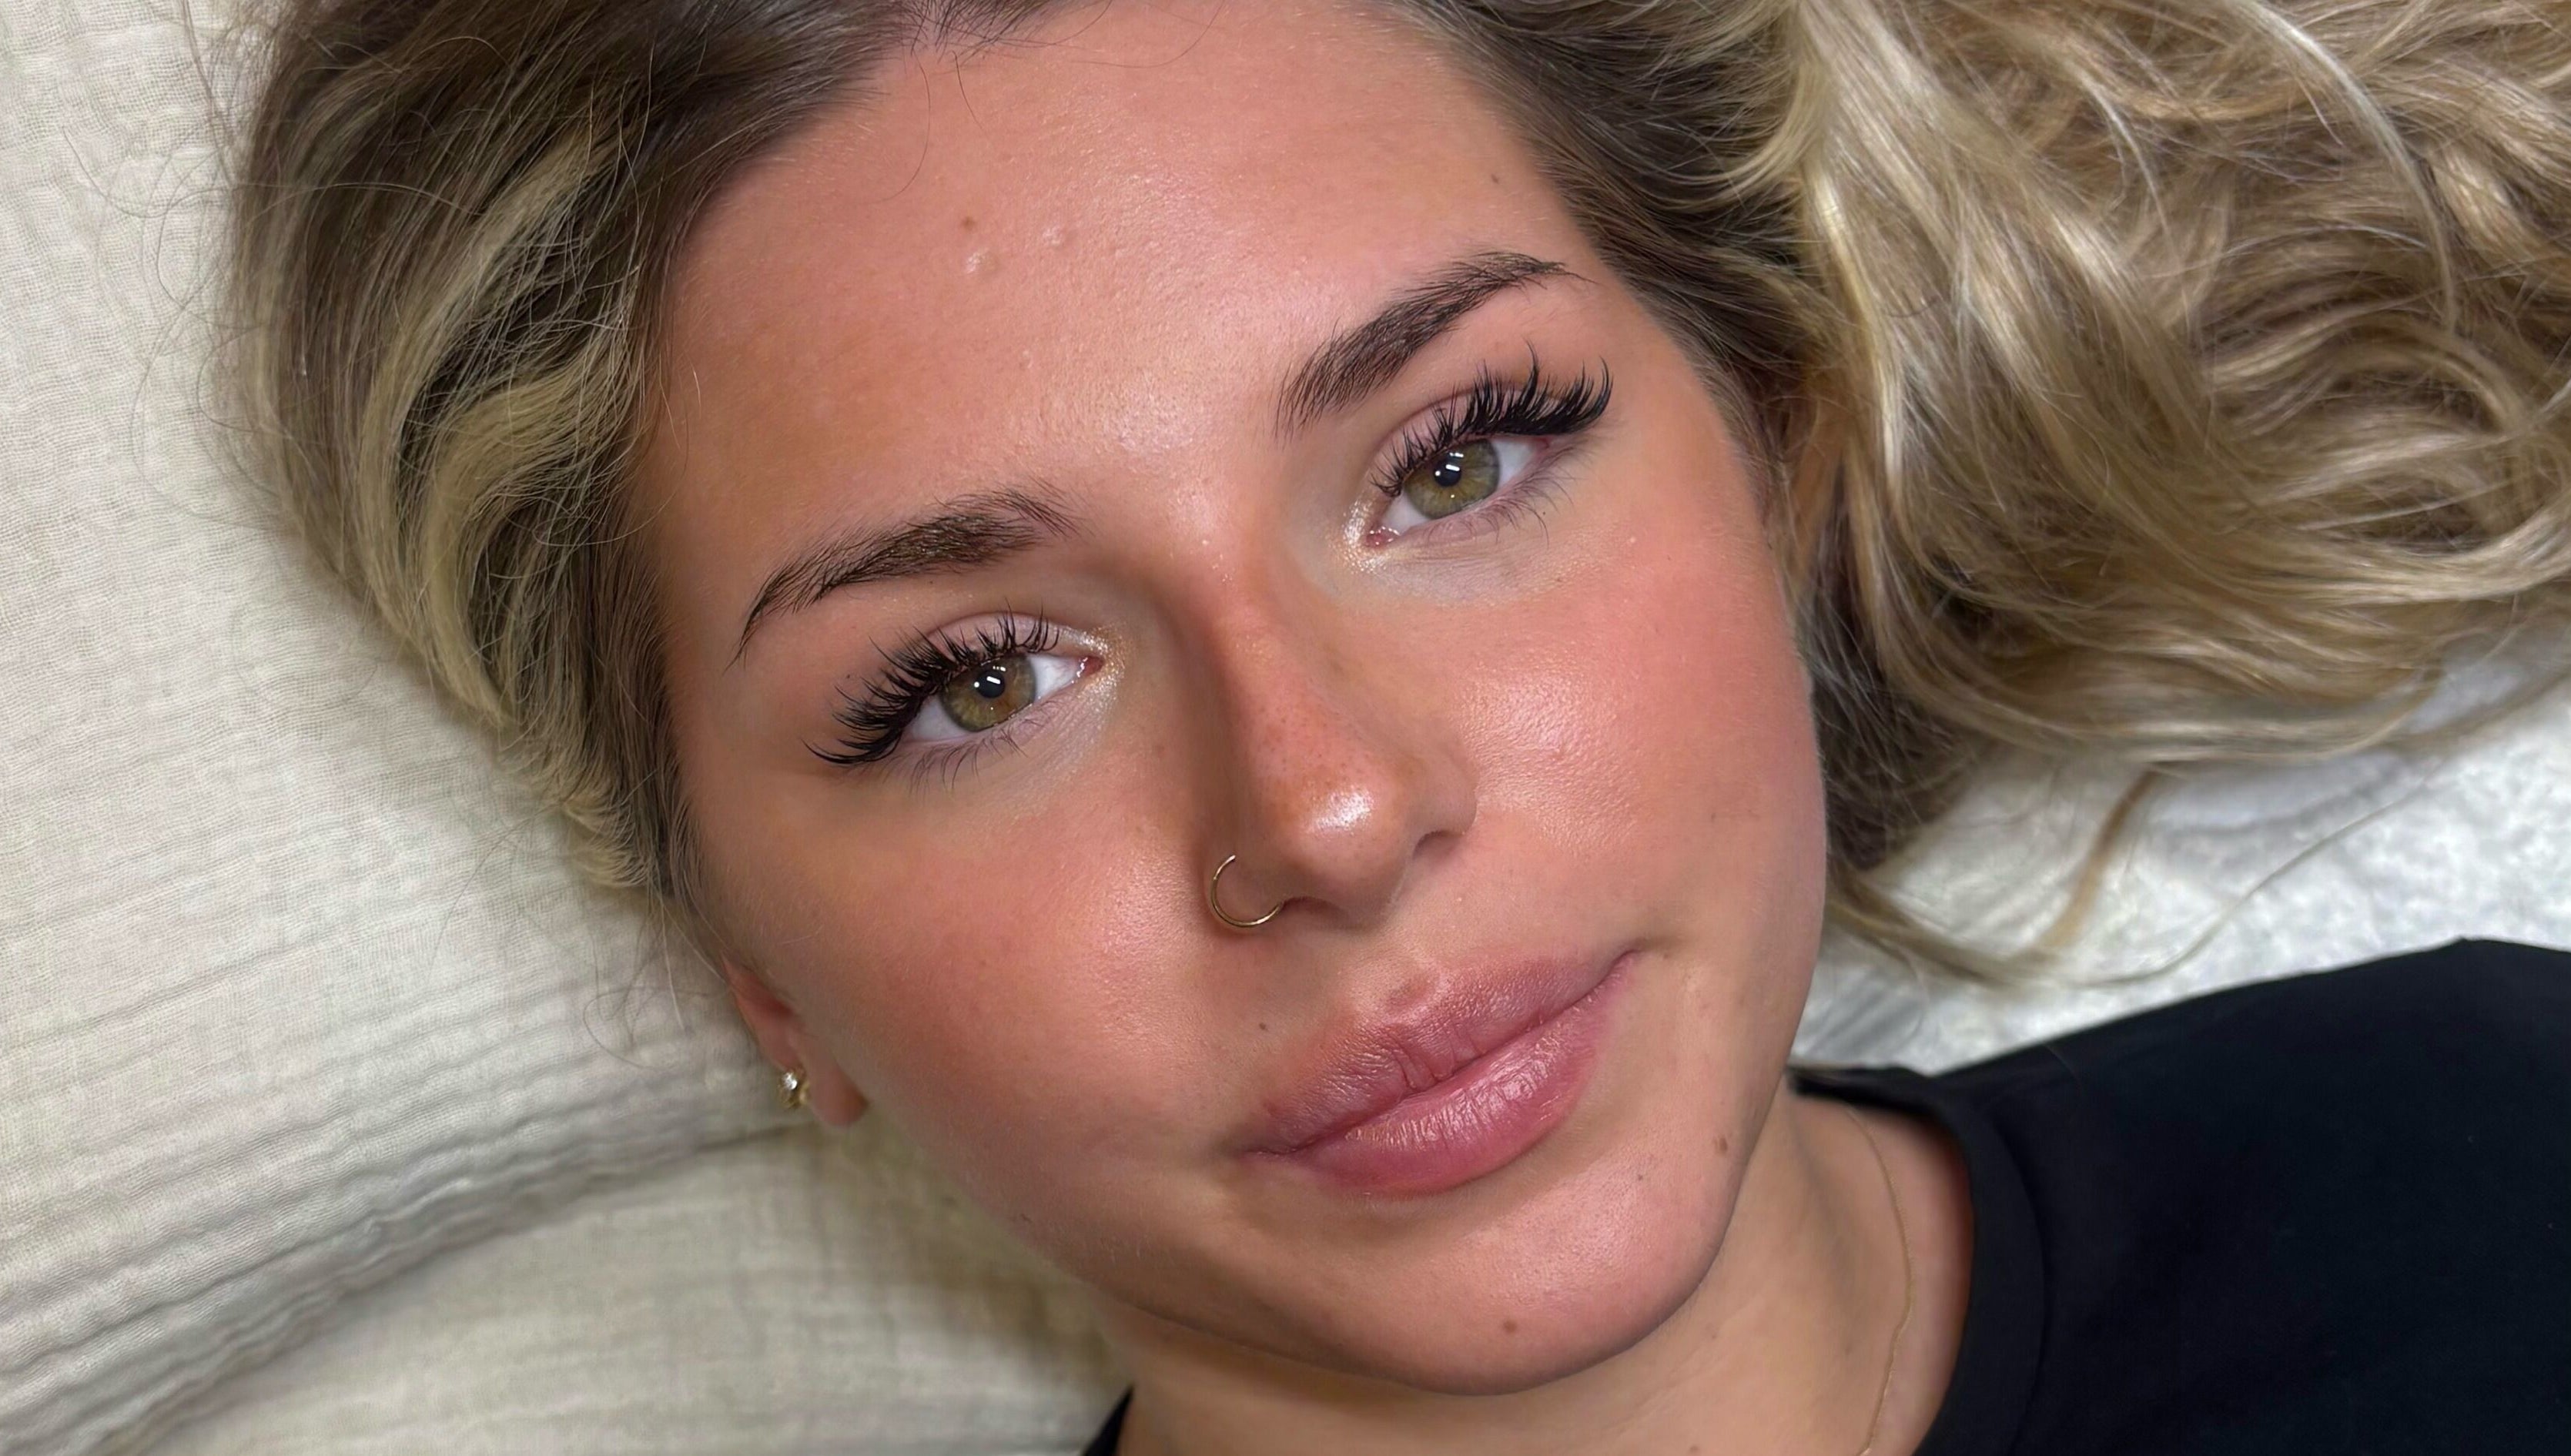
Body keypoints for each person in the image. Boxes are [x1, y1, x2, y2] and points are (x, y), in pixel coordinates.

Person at [225, 0, 2571, 1450]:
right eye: (974, 680)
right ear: (746, 961)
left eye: (1455, 458)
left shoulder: (2500, 1162)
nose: (1326, 805)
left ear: (1781, 445)